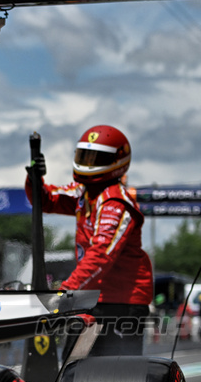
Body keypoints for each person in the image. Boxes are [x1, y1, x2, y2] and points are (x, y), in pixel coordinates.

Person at [26, 124, 153, 356]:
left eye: (97, 158)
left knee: (115, 376)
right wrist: (33, 179)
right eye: (85, 156)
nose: (88, 164)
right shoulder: (82, 192)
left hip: (121, 303)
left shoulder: (116, 202)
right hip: (89, 297)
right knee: (72, 365)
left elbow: (101, 256)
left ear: (118, 161)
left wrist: (65, 291)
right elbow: (46, 200)